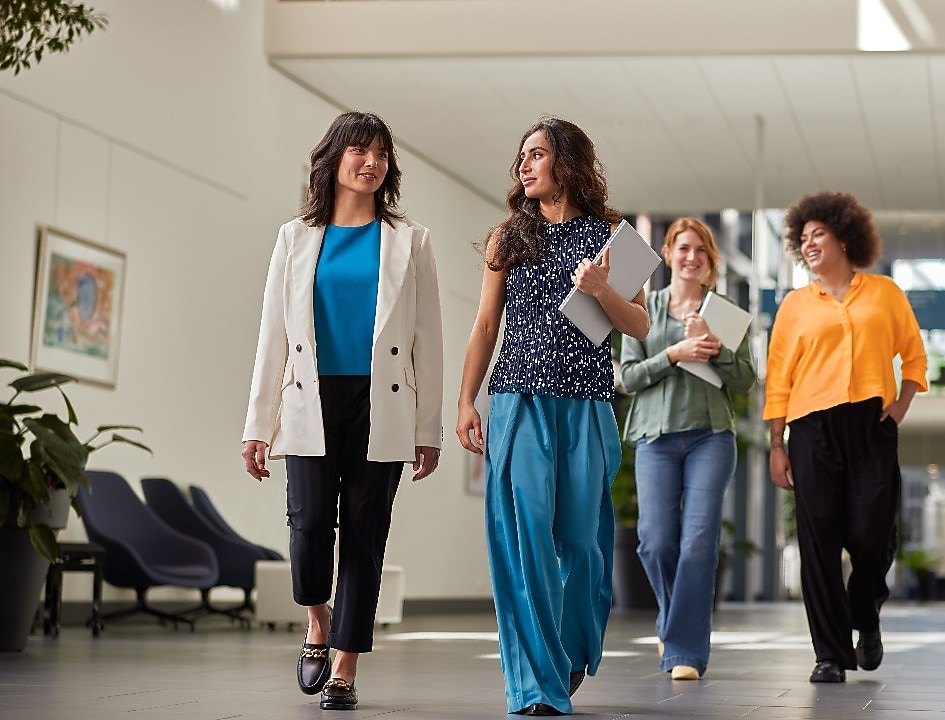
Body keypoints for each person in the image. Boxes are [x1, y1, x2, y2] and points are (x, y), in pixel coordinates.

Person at [241, 111, 444, 712]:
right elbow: (272, 337)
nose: (372, 161)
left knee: (364, 535)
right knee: (307, 529)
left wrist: (427, 429)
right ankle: (317, 622)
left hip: (381, 403)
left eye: (381, 152)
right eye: (360, 149)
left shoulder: (411, 240)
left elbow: (428, 340)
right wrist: (258, 424)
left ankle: (345, 668)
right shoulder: (294, 237)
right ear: (333, 158)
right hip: (311, 399)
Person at [455, 117, 649, 716]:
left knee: (583, 545)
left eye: (536, 154)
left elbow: (639, 325)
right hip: (518, 402)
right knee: (524, 541)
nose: (524, 164)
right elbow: (486, 324)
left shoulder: (614, 238)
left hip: (586, 405)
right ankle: (535, 685)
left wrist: (601, 289)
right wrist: (467, 400)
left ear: (566, 162)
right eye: (521, 156)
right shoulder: (506, 238)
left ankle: (567, 651)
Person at [762, 190, 927, 684]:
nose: (809, 244)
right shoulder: (795, 305)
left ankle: (867, 614)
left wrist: (899, 408)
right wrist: (776, 443)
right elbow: (778, 378)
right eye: (803, 238)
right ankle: (829, 655)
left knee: (873, 535)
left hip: (872, 426)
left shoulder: (885, 293)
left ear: (844, 237)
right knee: (819, 542)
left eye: (819, 235)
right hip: (811, 429)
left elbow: (915, 358)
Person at [619, 217, 756, 681]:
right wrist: (674, 354)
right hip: (655, 438)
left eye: (701, 249)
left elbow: (744, 381)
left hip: (710, 437)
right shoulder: (645, 306)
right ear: (669, 253)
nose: (691, 256)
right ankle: (671, 622)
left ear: (709, 259)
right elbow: (628, 377)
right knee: (655, 542)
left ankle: (684, 652)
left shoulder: (723, 311)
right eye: (683, 248)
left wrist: (717, 350)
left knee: (699, 545)